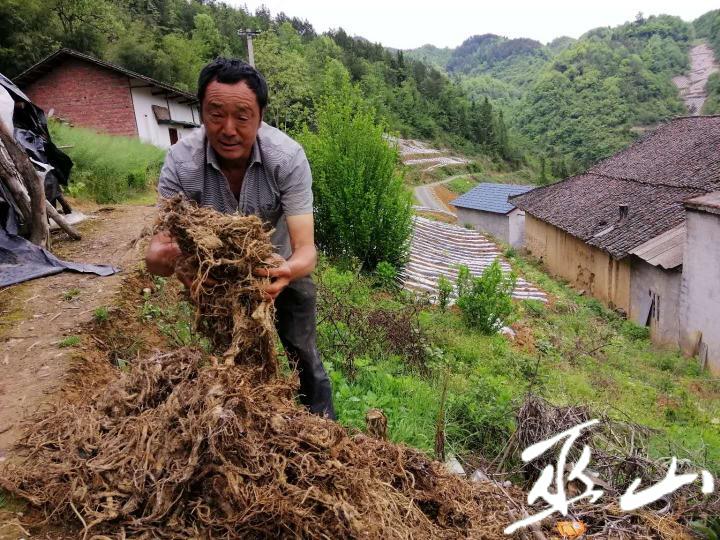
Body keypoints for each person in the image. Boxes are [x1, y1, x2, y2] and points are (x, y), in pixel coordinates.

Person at [145, 58, 335, 419]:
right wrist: (175, 264)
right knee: (233, 360)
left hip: (279, 266)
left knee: (304, 354)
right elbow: (160, 248)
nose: (228, 129)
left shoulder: (287, 157)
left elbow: (306, 250)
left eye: (242, 116)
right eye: (216, 114)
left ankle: (324, 428)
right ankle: (246, 426)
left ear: (260, 116)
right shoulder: (180, 163)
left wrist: (287, 271)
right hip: (218, 279)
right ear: (201, 112)